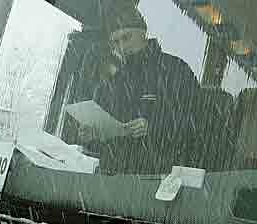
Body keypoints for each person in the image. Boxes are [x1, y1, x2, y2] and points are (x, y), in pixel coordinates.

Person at [77, 8, 201, 175]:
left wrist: (154, 127)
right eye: (116, 42)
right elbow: (101, 149)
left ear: (143, 33)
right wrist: (91, 137)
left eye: (126, 37)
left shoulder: (176, 70)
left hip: (163, 178)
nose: (122, 47)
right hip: (116, 178)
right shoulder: (108, 86)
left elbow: (198, 124)